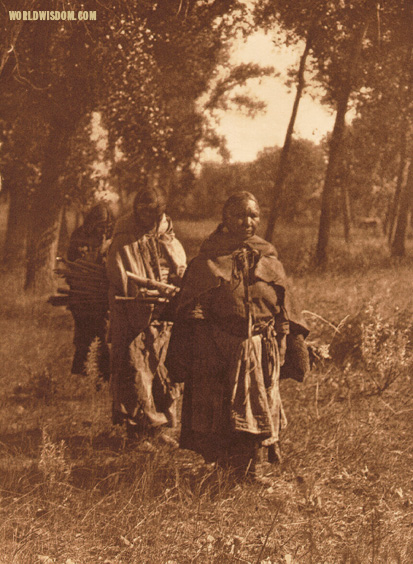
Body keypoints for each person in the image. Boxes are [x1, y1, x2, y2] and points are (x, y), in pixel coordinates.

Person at [166, 191, 309, 480]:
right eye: (239, 215)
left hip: (260, 346)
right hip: (218, 348)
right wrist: (202, 341)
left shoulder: (268, 256)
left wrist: (285, 338)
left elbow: (285, 305)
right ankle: (227, 468)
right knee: (222, 410)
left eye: (253, 215)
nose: (247, 221)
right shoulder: (207, 260)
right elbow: (192, 306)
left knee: (258, 404)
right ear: (225, 219)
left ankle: (250, 468)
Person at [106, 188, 186, 443]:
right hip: (131, 314)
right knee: (135, 368)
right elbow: (119, 275)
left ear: (160, 212)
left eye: (152, 212)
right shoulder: (124, 237)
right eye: (141, 211)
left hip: (164, 315)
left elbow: (179, 266)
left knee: (161, 369)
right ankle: (137, 432)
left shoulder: (167, 235)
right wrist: (138, 291)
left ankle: (158, 428)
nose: (146, 218)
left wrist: (177, 281)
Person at [67, 202, 114, 379]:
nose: (102, 229)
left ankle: (103, 376)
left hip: (100, 296)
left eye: (106, 225)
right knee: (82, 335)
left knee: (101, 333)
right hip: (81, 295)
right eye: (100, 224)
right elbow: (72, 261)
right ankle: (81, 374)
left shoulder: (110, 237)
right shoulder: (79, 235)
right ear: (92, 221)